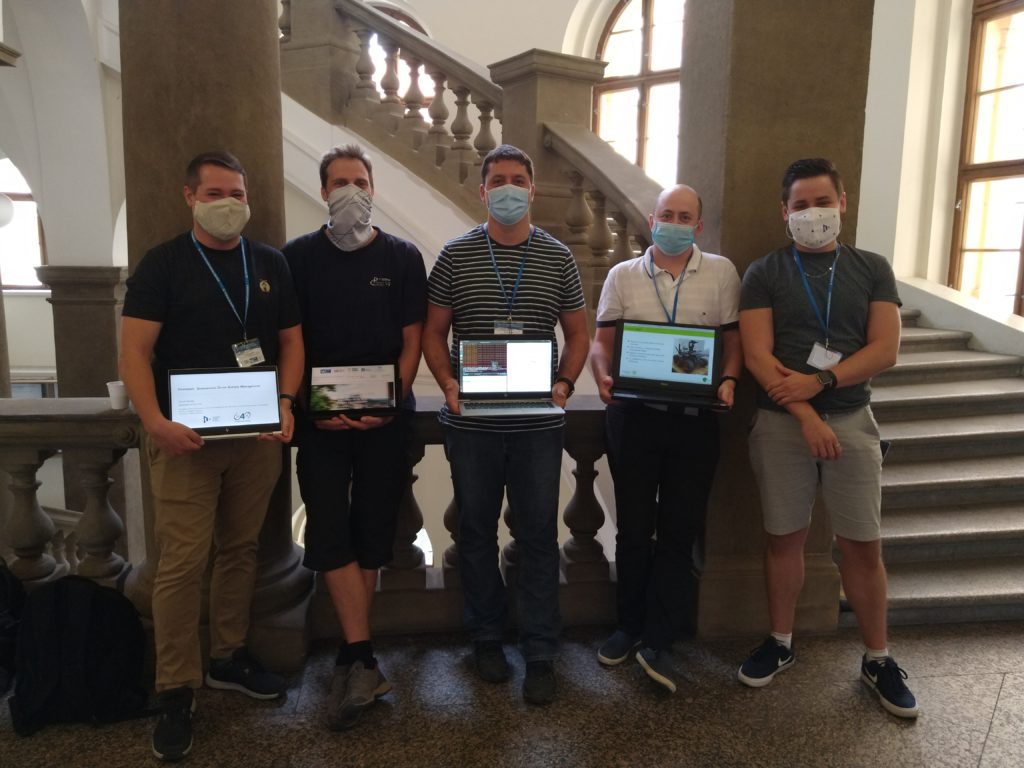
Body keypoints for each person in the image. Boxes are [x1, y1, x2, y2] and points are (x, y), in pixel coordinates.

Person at [120, 150, 305, 761]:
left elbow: (290, 344)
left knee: (242, 549)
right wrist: (155, 424)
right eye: (215, 193)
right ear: (190, 197)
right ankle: (176, 687)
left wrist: (285, 402)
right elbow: (134, 353)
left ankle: (228, 656)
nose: (229, 204)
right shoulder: (164, 264)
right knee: (180, 564)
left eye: (237, 194)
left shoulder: (270, 263)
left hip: (255, 438)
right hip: (185, 441)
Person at [737, 157, 918, 718]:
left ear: (842, 204)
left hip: (852, 420)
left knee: (863, 545)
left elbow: (885, 349)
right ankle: (780, 641)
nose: (811, 213)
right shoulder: (764, 272)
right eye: (800, 205)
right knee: (783, 538)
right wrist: (807, 416)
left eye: (822, 202)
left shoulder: (871, 268)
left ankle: (878, 658)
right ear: (784, 211)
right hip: (781, 423)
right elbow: (757, 356)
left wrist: (820, 382)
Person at [422, 144, 588, 706]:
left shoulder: (558, 257)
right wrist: (449, 385)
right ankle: (486, 637)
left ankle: (540, 649)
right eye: (498, 180)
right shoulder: (455, 255)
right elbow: (433, 332)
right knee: (475, 532)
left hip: (537, 422)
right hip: (472, 423)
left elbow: (578, 334)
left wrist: (563, 386)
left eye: (518, 180)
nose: (508, 189)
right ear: (483, 191)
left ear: (532, 190)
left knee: (538, 534)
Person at [282, 144, 426, 730]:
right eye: (339, 182)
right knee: (328, 526)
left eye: (360, 182)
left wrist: (390, 403)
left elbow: (412, 341)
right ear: (323, 191)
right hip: (319, 422)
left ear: (373, 189)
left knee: (372, 530)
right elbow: (290, 341)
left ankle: (354, 653)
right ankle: (362, 656)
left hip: (385, 422)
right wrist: (305, 404)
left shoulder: (403, 256)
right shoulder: (296, 257)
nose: (351, 191)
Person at [589, 184, 743, 693]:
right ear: (651, 221)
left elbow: (732, 342)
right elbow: (602, 343)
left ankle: (660, 638)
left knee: (679, 531)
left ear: (698, 225)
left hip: (695, 422)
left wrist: (729, 379)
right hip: (634, 418)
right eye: (666, 215)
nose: (673, 223)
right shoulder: (622, 275)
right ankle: (628, 626)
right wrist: (602, 375)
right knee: (633, 529)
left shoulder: (721, 272)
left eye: (684, 216)